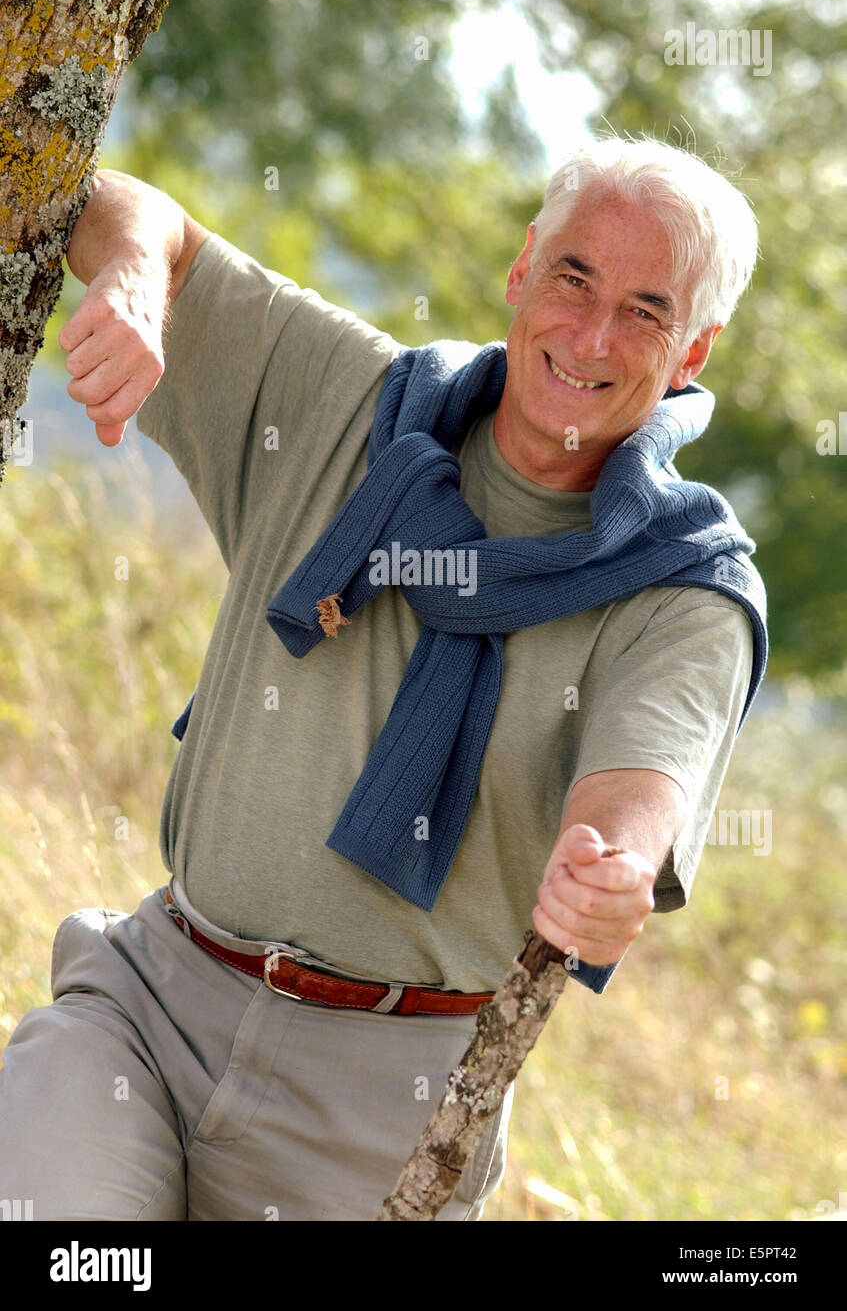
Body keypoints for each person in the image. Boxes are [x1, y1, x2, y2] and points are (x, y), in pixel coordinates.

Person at [0, 136, 767, 1221]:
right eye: (573, 278)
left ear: (695, 347)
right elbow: (132, 215)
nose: (591, 334)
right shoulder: (354, 399)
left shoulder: (686, 591)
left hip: (383, 1112)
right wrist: (129, 278)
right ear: (520, 272)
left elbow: (637, 794)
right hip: (147, 1009)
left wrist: (608, 872)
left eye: (645, 311)